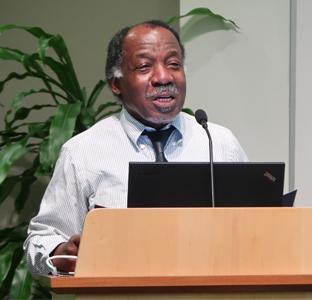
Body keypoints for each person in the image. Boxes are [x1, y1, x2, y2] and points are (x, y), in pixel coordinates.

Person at [24, 20, 248, 275]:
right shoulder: (83, 152)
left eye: (173, 64)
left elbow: (256, 228)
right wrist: (61, 253)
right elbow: (40, 239)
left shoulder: (219, 143)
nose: (163, 77)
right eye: (145, 66)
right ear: (116, 84)